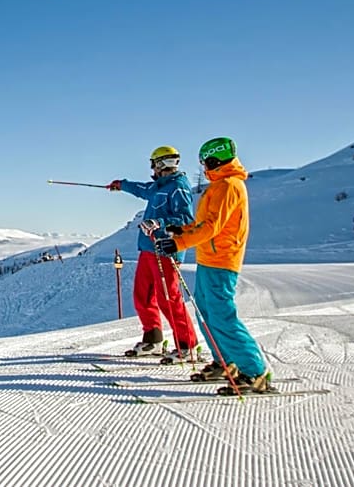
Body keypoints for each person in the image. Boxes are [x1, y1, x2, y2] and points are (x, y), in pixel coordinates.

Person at [153, 137, 270, 393]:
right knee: (205, 311)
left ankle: (255, 372)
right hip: (208, 259)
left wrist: (179, 244)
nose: (203, 166)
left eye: (205, 161)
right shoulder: (218, 186)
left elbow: (212, 226)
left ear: (214, 160)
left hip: (222, 260)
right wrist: (179, 230)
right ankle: (225, 362)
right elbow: (202, 223)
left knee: (221, 315)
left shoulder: (229, 186)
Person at [109, 145, 198, 361]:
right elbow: (142, 189)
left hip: (166, 250)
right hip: (149, 249)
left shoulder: (178, 187)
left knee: (169, 298)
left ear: (161, 163)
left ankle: (187, 345)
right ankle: (153, 339)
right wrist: (122, 185)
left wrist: (159, 222)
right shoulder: (160, 185)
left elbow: (186, 220)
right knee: (143, 295)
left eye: (153, 163)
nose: (152, 168)